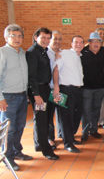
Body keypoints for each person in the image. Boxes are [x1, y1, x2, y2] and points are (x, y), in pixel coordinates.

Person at [0, 24, 33, 171]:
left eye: (20, 36)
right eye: (14, 35)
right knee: (9, 129)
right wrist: (1, 98)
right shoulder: (2, 53)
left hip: (21, 96)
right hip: (8, 97)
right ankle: (7, 157)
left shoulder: (22, 53)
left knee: (20, 126)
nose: (17, 39)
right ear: (6, 37)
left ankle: (17, 151)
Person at [27, 27, 59, 160]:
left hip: (46, 89)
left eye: (48, 38)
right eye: (43, 37)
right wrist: (36, 94)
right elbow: (32, 75)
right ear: (36, 38)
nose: (46, 40)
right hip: (38, 91)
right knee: (41, 120)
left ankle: (39, 144)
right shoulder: (33, 52)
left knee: (45, 119)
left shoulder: (44, 51)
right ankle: (46, 151)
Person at [53, 35, 85, 153]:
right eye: (76, 42)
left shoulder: (78, 56)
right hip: (65, 90)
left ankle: (70, 137)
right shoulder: (65, 54)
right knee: (66, 117)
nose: (79, 44)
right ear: (71, 44)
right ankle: (68, 143)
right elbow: (56, 69)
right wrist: (56, 86)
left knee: (76, 115)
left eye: (81, 42)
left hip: (77, 90)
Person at [81, 32, 104, 142]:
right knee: (86, 111)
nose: (96, 43)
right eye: (94, 41)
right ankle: (85, 132)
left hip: (100, 87)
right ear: (89, 43)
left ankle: (94, 130)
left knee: (96, 110)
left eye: (98, 41)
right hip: (86, 88)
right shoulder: (82, 53)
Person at [46, 31, 62, 150]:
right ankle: (50, 139)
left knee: (61, 113)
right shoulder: (45, 53)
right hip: (49, 89)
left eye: (59, 39)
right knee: (49, 115)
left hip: (60, 90)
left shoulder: (61, 53)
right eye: (55, 38)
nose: (57, 41)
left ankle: (62, 134)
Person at [95, 28, 104, 129]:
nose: (102, 35)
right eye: (100, 33)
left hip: (103, 80)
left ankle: (102, 121)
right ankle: (92, 122)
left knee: (102, 102)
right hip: (89, 82)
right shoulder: (87, 48)